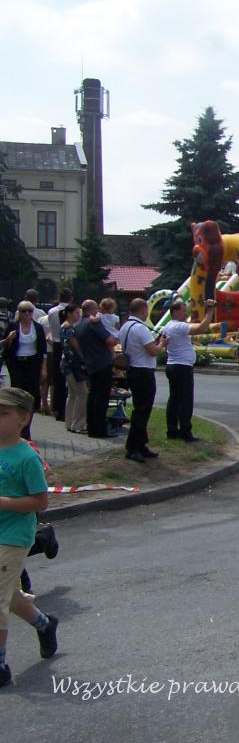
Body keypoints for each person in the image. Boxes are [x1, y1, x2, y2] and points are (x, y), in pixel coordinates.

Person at [0, 387, 59, 688]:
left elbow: (40, 502)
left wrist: (2, 502)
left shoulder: (26, 457)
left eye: (3, 414)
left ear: (23, 419)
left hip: (13, 536)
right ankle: (44, 624)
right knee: (8, 597)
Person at [119, 299, 168, 463]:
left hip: (133, 369)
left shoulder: (125, 326)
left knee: (141, 409)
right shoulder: (140, 328)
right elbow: (153, 351)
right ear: (143, 310)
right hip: (143, 371)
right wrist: (162, 343)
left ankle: (141, 444)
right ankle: (133, 447)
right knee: (142, 410)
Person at [161, 298, 216, 442]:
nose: (186, 313)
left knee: (174, 399)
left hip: (173, 365)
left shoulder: (168, 326)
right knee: (185, 400)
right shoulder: (178, 326)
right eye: (183, 310)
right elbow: (201, 328)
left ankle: (172, 430)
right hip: (182, 367)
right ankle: (185, 431)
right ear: (175, 312)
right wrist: (210, 311)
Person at [1, 302, 47, 439]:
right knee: (17, 395)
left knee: (31, 395)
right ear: (19, 313)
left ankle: (26, 428)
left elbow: (43, 350)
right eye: (24, 311)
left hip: (32, 364)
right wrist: (9, 338)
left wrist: (43, 369)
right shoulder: (13, 326)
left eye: (29, 311)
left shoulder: (37, 328)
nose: (27, 314)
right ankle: (17, 427)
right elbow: (3, 344)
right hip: (16, 364)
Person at [75, 300, 117, 439]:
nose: (98, 311)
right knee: (101, 398)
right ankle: (100, 429)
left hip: (90, 363)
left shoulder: (79, 325)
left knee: (92, 395)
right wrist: (116, 339)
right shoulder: (94, 323)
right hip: (102, 362)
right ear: (92, 309)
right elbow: (109, 340)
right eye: (97, 308)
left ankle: (91, 427)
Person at [59, 305, 88, 434]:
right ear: (69, 314)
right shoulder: (68, 328)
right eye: (76, 313)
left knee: (72, 394)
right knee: (83, 393)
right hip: (72, 364)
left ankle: (69, 422)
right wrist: (84, 357)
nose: (79, 315)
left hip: (67, 363)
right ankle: (78, 424)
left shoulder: (65, 326)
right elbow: (75, 346)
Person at [45, 288, 72, 421]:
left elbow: (51, 330)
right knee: (69, 378)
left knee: (57, 378)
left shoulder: (51, 311)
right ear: (71, 298)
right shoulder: (72, 311)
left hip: (56, 344)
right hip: (68, 344)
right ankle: (66, 409)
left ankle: (57, 407)